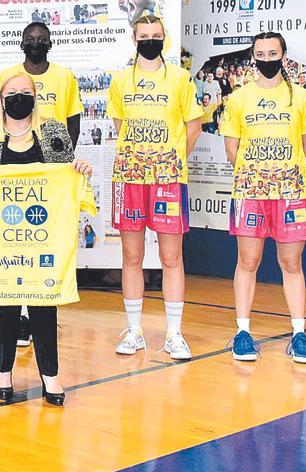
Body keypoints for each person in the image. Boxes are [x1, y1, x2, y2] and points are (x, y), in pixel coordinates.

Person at [0, 73, 94, 406]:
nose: (20, 97)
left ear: (36, 96)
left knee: (43, 303)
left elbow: (64, 180)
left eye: (26, 92)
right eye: (12, 93)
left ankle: (51, 374)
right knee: (3, 300)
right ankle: (2, 372)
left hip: (42, 237)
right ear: (0, 99)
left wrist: (78, 171)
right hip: (3, 237)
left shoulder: (54, 133)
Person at [107, 14, 202, 360]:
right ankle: (134, 331)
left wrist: (172, 160)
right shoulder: (120, 81)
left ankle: (174, 334)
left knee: (170, 256)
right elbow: (121, 126)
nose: (150, 40)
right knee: (131, 256)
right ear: (134, 40)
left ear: (165, 39)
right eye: (144, 35)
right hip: (130, 177)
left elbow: (194, 126)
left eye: (156, 35)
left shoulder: (180, 78)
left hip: (168, 179)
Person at [221, 32, 306, 364]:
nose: (266, 59)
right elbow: (232, 150)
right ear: (253, 58)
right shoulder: (238, 99)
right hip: (251, 191)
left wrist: (282, 172)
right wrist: (259, 173)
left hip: (290, 192)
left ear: (283, 55)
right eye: (260, 54)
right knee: (248, 262)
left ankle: (299, 334)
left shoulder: (302, 98)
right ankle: (243, 332)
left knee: (292, 263)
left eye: (272, 53)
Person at [0, 22, 85, 347]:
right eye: (30, 39)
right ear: (21, 43)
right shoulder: (8, 76)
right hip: (13, 170)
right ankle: (19, 319)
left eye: (41, 39)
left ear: (50, 42)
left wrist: (59, 165)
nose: (36, 43)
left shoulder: (64, 77)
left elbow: (73, 123)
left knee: (43, 241)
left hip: (50, 177)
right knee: (16, 242)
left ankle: (40, 313)